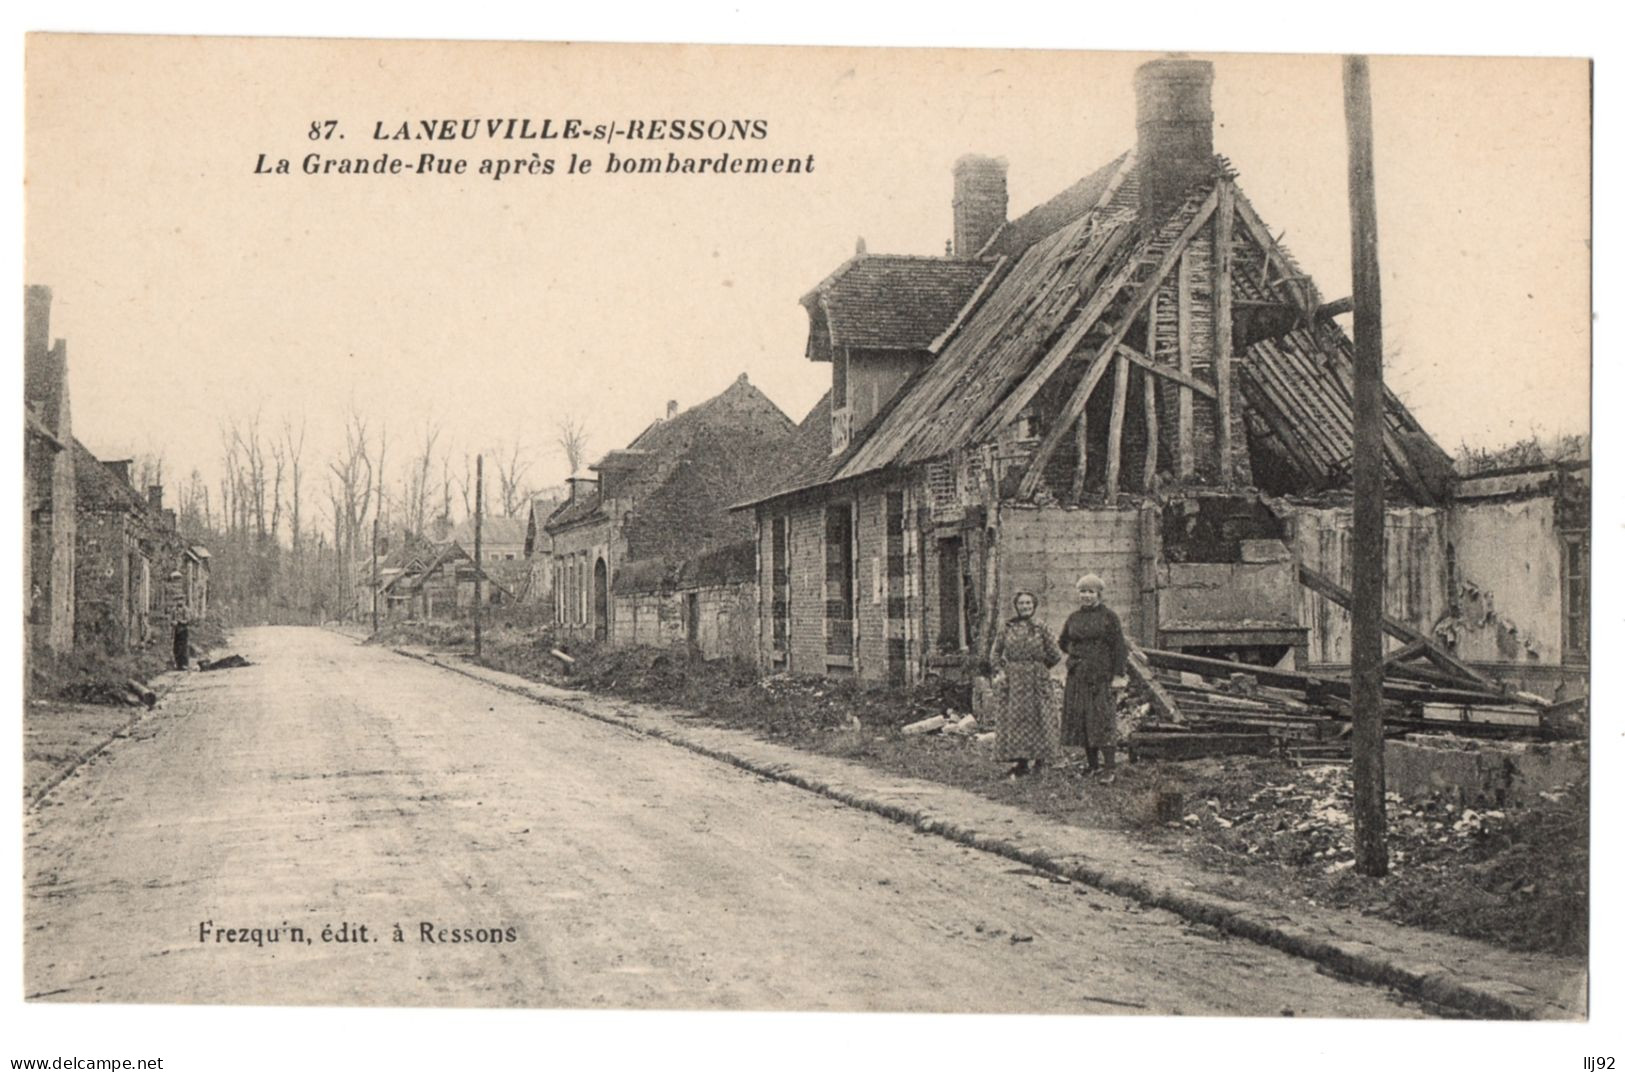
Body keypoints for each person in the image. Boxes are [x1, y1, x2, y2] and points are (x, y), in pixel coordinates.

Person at [1059, 573, 1128, 781]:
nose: (1086, 596)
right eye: (1082, 591)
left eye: (1090, 591)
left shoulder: (1109, 617)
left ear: (1099, 594)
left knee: (1102, 719)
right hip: (1078, 676)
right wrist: (1077, 654)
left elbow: (1119, 648)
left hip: (1101, 676)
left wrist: (1117, 675)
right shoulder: (1074, 617)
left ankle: (1109, 768)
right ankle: (1092, 766)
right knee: (1083, 719)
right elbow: (1062, 641)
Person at [989, 590, 1063, 778]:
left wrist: (1039, 668)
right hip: (1014, 683)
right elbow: (995, 653)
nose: (1025, 607)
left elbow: (1055, 654)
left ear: (1034, 606)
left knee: (1039, 717)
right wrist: (1001, 670)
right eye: (1022, 603)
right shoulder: (1007, 627)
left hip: (1037, 681)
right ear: (1016, 606)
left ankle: (1041, 761)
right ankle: (1021, 763)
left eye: (1029, 603)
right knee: (1017, 720)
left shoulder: (1041, 627)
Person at [171, 598, 191, 670]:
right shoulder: (174, 610)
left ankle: (184, 664)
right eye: (178, 600)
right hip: (176, 631)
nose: (179, 602)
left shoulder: (186, 610)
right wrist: (173, 623)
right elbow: (171, 619)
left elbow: (188, 620)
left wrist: (179, 622)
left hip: (183, 630)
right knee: (176, 648)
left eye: (181, 600)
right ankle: (178, 664)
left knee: (183, 647)